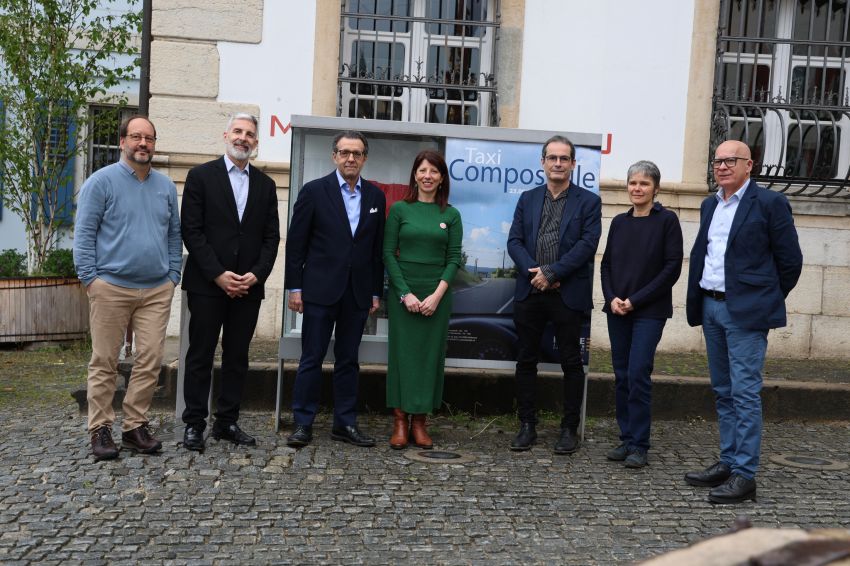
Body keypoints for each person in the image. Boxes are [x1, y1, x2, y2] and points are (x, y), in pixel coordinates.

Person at [684, 140, 802, 504]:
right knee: (722, 391)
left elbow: (790, 262)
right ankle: (729, 461)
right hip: (710, 307)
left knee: (745, 393)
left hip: (746, 312)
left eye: (730, 160)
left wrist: (763, 299)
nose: (721, 166)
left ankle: (745, 475)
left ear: (749, 165)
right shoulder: (709, 204)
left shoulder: (769, 203)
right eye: (717, 160)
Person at [73, 115, 181, 462]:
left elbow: (174, 235)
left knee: (150, 360)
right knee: (104, 360)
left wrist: (173, 275)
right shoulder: (100, 182)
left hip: (155, 289)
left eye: (149, 138)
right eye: (136, 137)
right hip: (111, 287)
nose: (143, 144)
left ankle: (135, 425)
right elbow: (85, 235)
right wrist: (91, 279)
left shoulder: (165, 187)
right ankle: (100, 428)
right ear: (122, 141)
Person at [179, 113, 280, 451]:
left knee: (238, 356)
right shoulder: (200, 176)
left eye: (249, 134)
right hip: (208, 284)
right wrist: (219, 274)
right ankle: (194, 423)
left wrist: (257, 273)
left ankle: (227, 421)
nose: (243, 138)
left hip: (248, 288)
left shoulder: (266, 185)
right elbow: (191, 231)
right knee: (200, 355)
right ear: (226, 135)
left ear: (256, 142)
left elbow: (272, 237)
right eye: (238, 131)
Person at [284, 131, 386, 448]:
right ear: (334, 156)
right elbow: (296, 245)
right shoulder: (314, 191)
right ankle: (303, 423)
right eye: (344, 152)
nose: (350, 158)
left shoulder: (375, 197)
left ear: (365, 158)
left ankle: (345, 423)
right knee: (311, 358)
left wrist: (374, 291)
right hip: (319, 290)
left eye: (356, 153)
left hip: (356, 294)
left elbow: (375, 249)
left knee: (348, 360)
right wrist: (294, 288)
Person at [506, 135, 602, 454]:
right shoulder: (528, 198)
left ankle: (568, 430)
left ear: (573, 164)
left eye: (564, 158)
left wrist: (553, 273)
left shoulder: (588, 201)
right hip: (530, 291)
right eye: (552, 158)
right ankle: (527, 425)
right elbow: (514, 242)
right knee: (526, 360)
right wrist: (536, 272)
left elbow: (588, 245)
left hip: (567, 293)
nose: (558, 163)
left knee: (572, 362)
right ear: (543, 162)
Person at [600, 160, 683, 469]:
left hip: (649, 311)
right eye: (633, 183)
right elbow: (606, 264)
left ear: (655, 188)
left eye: (644, 183)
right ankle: (626, 438)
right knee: (621, 375)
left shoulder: (667, 221)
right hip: (617, 310)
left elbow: (671, 268)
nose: (637, 188)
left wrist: (635, 300)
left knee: (638, 373)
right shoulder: (619, 222)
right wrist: (612, 299)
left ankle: (640, 445)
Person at [383, 150, 463, 450]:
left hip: (436, 296)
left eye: (434, 171)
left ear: (442, 178)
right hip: (404, 293)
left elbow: (454, 258)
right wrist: (405, 293)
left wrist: (436, 296)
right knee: (403, 356)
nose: (427, 176)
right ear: (414, 175)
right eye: (422, 170)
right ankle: (400, 420)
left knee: (429, 358)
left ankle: (420, 422)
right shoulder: (400, 210)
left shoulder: (451, 215)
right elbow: (388, 254)